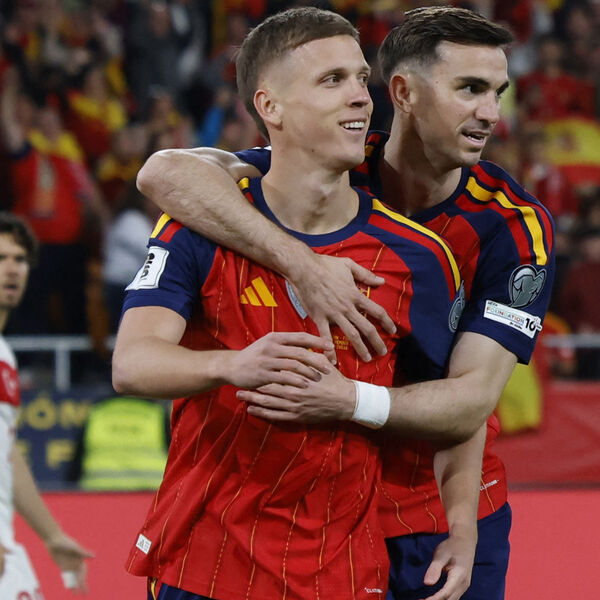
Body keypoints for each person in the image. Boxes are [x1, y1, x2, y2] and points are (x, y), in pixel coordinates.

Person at [136, 6, 556, 599]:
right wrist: (302, 264)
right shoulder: (332, 165)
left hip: (440, 511)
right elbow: (164, 174)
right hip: (322, 515)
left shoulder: (512, 227)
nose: (491, 113)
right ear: (404, 93)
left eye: (498, 93)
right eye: (470, 89)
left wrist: (350, 402)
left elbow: (471, 399)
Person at [0, 212, 93, 598]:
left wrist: (51, 535)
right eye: (1, 258)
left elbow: (6, 453)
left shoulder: (5, 354)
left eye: (20, 259)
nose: (12, 269)